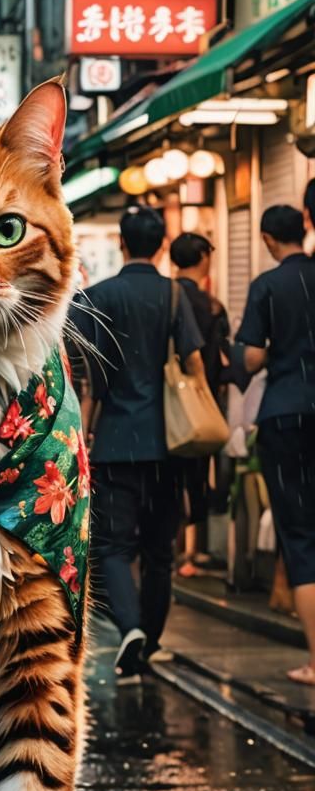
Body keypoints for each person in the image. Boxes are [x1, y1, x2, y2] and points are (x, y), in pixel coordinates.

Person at [67, 206, 205, 681]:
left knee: (113, 547)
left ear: (122, 244)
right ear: (162, 246)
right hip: (168, 442)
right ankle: (149, 636)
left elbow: (81, 372)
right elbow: (193, 363)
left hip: (113, 442)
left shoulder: (97, 298)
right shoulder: (172, 295)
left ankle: (129, 629)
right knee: (160, 549)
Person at [236, 204, 315, 686]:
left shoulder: (268, 285)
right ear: (304, 228)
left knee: (302, 537)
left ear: (267, 239)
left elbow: (249, 357)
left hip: (286, 414)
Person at [169, 232, 230, 577]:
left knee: (171, 476)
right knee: (198, 475)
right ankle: (195, 551)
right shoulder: (210, 306)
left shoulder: (166, 296)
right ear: (204, 257)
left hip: (165, 402)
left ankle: (175, 547)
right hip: (201, 400)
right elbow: (217, 358)